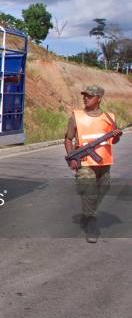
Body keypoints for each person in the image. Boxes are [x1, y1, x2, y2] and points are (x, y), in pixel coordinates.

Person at [64, 85, 123, 243]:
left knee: (103, 188)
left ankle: (87, 213)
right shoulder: (76, 116)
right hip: (84, 162)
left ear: (99, 99)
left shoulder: (109, 117)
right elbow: (68, 139)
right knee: (89, 190)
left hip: (104, 162)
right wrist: (71, 158)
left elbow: (114, 140)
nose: (85, 98)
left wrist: (117, 136)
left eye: (89, 96)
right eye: (84, 95)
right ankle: (91, 223)